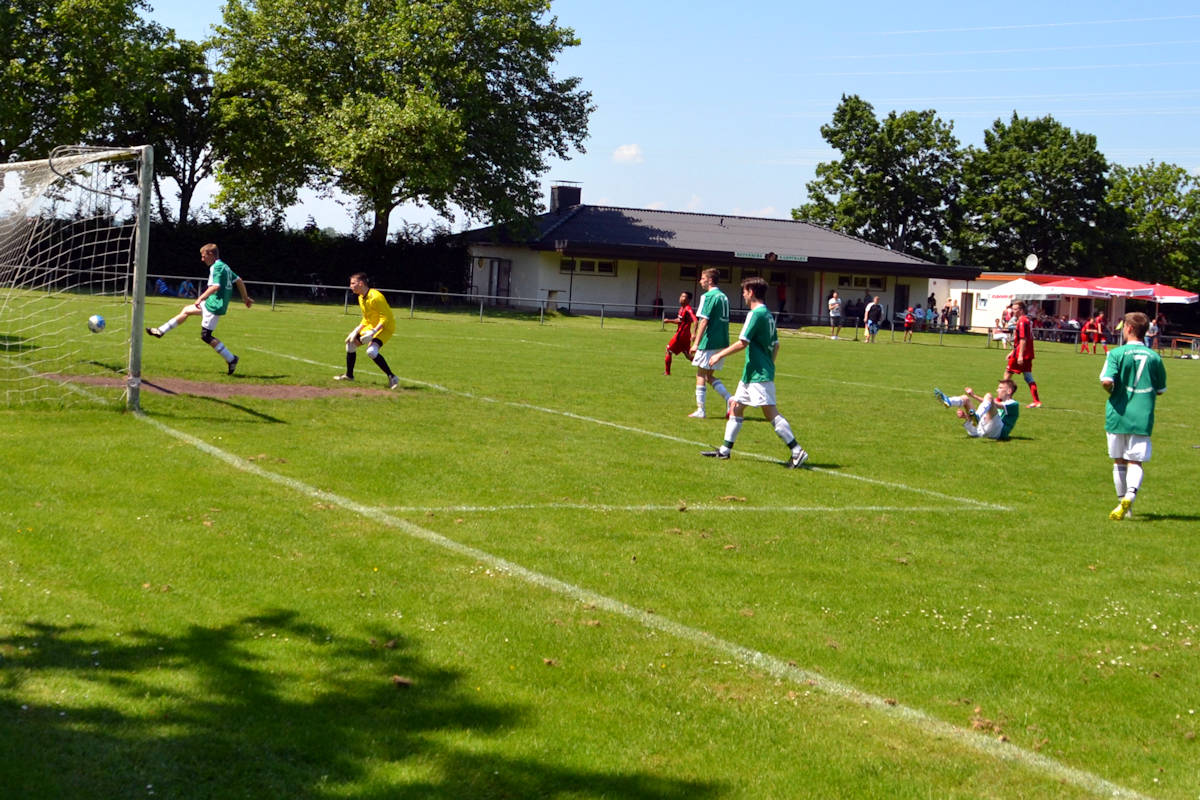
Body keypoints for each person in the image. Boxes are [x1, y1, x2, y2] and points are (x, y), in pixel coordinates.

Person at [700, 277, 808, 468]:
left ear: (751, 292)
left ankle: (797, 451)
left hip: (759, 373)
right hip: (752, 373)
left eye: (744, 291)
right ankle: (725, 451)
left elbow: (743, 342)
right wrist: (769, 364)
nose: (742, 294)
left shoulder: (755, 314)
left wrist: (719, 355)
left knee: (770, 413)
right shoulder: (767, 314)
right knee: (736, 408)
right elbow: (776, 345)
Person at [146, 243, 253, 375]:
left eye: (203, 256)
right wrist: (245, 298)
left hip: (214, 306)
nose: (202, 259)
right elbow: (239, 280)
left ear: (211, 254)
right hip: (213, 303)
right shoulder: (225, 266)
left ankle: (231, 359)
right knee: (186, 310)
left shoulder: (216, 267)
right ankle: (160, 331)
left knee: (206, 336)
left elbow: (215, 287)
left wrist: (200, 298)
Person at [1101, 312, 1167, 520]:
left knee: (1118, 461)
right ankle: (1131, 494)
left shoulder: (1116, 353)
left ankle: (1124, 505)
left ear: (1129, 328)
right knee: (1135, 462)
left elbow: (1106, 381)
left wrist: (1112, 391)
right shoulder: (1155, 357)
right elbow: (1161, 389)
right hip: (1142, 415)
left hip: (1118, 413)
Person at [335, 272, 399, 389]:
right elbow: (366, 318)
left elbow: (385, 318)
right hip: (372, 326)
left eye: (353, 283)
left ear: (361, 283)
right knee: (350, 345)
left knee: (371, 352)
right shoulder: (361, 297)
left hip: (385, 327)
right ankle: (349, 376)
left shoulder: (376, 297)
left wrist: (374, 332)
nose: (351, 286)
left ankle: (392, 377)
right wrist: (356, 330)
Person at [688, 268, 733, 418]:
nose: (700, 281)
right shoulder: (723, 296)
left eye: (702, 278)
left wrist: (696, 343)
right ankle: (730, 399)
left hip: (709, 341)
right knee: (708, 376)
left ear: (710, 280)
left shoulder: (708, 296)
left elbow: (704, 320)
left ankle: (701, 410)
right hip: (722, 341)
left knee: (700, 374)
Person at [933, 380, 1020, 440]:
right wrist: (966, 416)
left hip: (998, 433)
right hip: (980, 430)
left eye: (1000, 388)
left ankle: (977, 416)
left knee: (989, 396)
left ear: (1009, 391)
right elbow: (989, 402)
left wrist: (975, 397)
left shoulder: (1013, 404)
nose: (997, 390)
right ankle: (948, 402)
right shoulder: (996, 403)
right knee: (965, 398)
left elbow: (993, 403)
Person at [1003, 301, 1042, 408]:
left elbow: (1023, 339)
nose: (1013, 311)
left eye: (1015, 309)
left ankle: (1001, 398)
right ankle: (1036, 401)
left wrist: (1019, 355)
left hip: (1022, 353)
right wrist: (1012, 351)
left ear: (1021, 310)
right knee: (1028, 377)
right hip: (1027, 352)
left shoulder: (1021, 321)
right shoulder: (1027, 320)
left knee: (1007, 373)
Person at [663, 291, 696, 376]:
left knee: (668, 350)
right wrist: (670, 321)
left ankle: (667, 373)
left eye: (683, 296)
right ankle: (705, 367)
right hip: (685, 335)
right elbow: (679, 321)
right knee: (688, 355)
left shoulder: (688, 309)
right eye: (681, 296)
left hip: (681, 335)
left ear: (688, 300)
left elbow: (695, 320)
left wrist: (694, 333)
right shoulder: (682, 308)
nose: (681, 298)